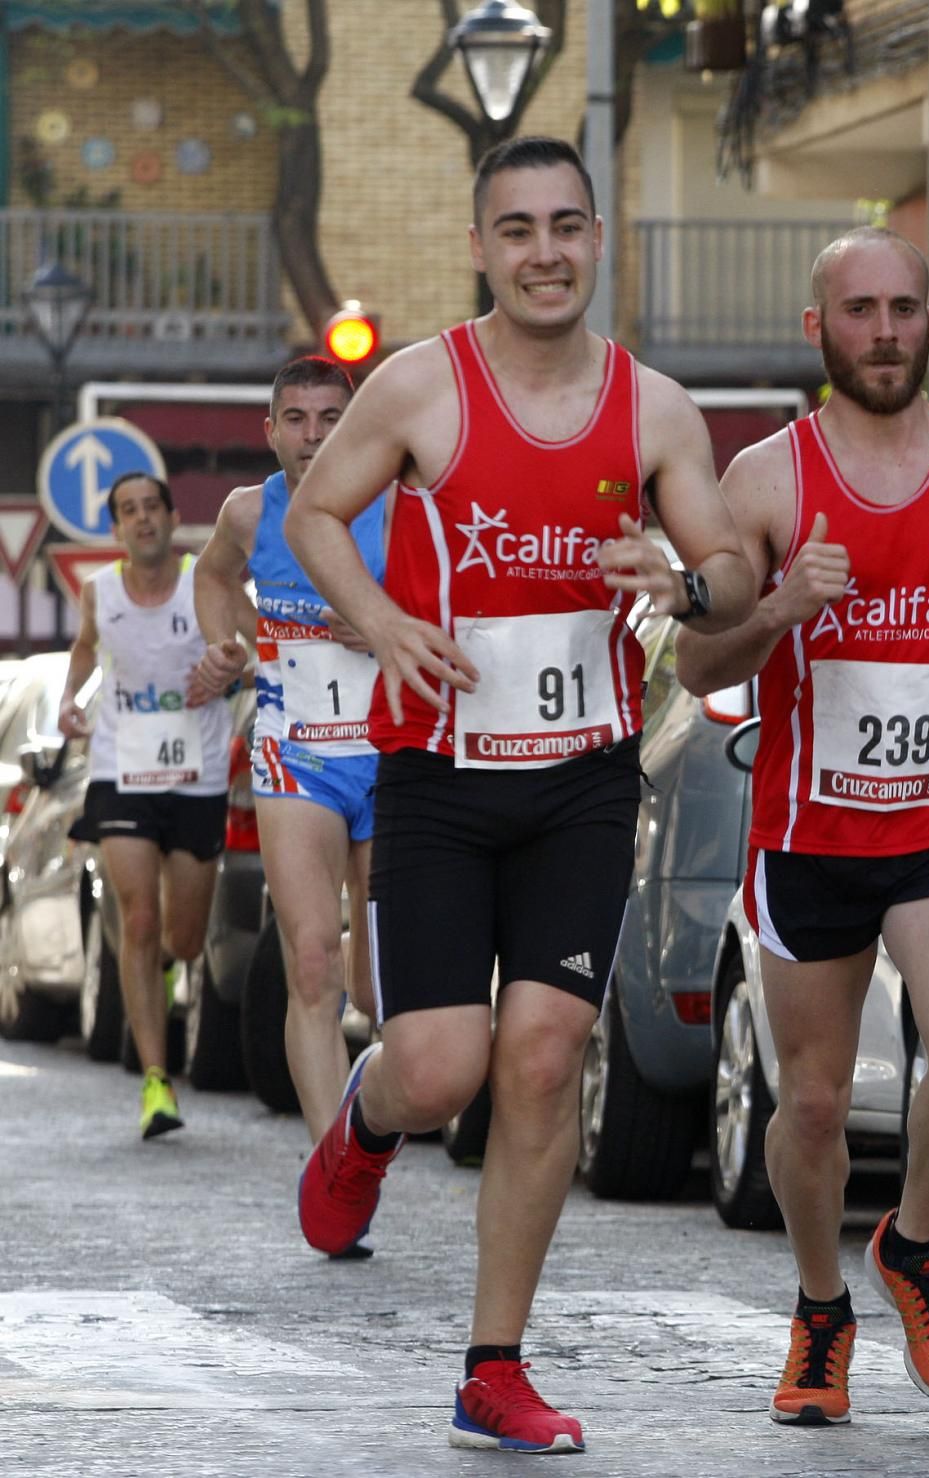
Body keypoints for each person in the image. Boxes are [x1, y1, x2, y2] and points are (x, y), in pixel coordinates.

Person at [283, 136, 756, 1454]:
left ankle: (493, 1364)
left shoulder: (654, 408)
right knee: (445, 1064)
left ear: (598, 240)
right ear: (482, 248)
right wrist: (379, 622)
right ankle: (366, 1119)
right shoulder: (421, 386)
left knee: (544, 1056)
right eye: (517, 229)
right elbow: (321, 514)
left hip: (584, 781)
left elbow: (723, 570)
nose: (544, 250)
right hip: (436, 775)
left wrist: (681, 578)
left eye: (566, 225)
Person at [677, 225, 929, 1427]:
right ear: (819, 329)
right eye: (861, 310)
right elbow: (697, 658)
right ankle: (819, 1307)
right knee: (808, 1102)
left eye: (905, 308)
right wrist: (783, 604)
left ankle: (910, 1247)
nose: (886, 332)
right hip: (807, 837)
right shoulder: (766, 481)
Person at [191, 356, 389, 1256]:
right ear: (271, 430)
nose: (314, 435)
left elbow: (462, 612)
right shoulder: (248, 510)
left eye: (330, 417)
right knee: (311, 963)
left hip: (393, 760)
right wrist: (228, 642)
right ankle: (334, 1176)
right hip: (295, 754)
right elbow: (213, 575)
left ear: (357, 422)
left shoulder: (404, 502)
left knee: (382, 987)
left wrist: (382, 621)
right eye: (296, 419)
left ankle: (372, 1123)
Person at [60, 471, 239, 1140]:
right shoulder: (99, 592)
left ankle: (164, 975)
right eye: (128, 512)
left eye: (151, 508)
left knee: (183, 938)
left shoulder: (206, 582)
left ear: (172, 516)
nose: (141, 521)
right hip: (123, 768)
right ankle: (157, 1083)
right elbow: (84, 648)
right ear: (115, 529)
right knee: (138, 919)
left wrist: (227, 663)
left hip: (196, 775)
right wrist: (69, 700)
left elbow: (251, 649)